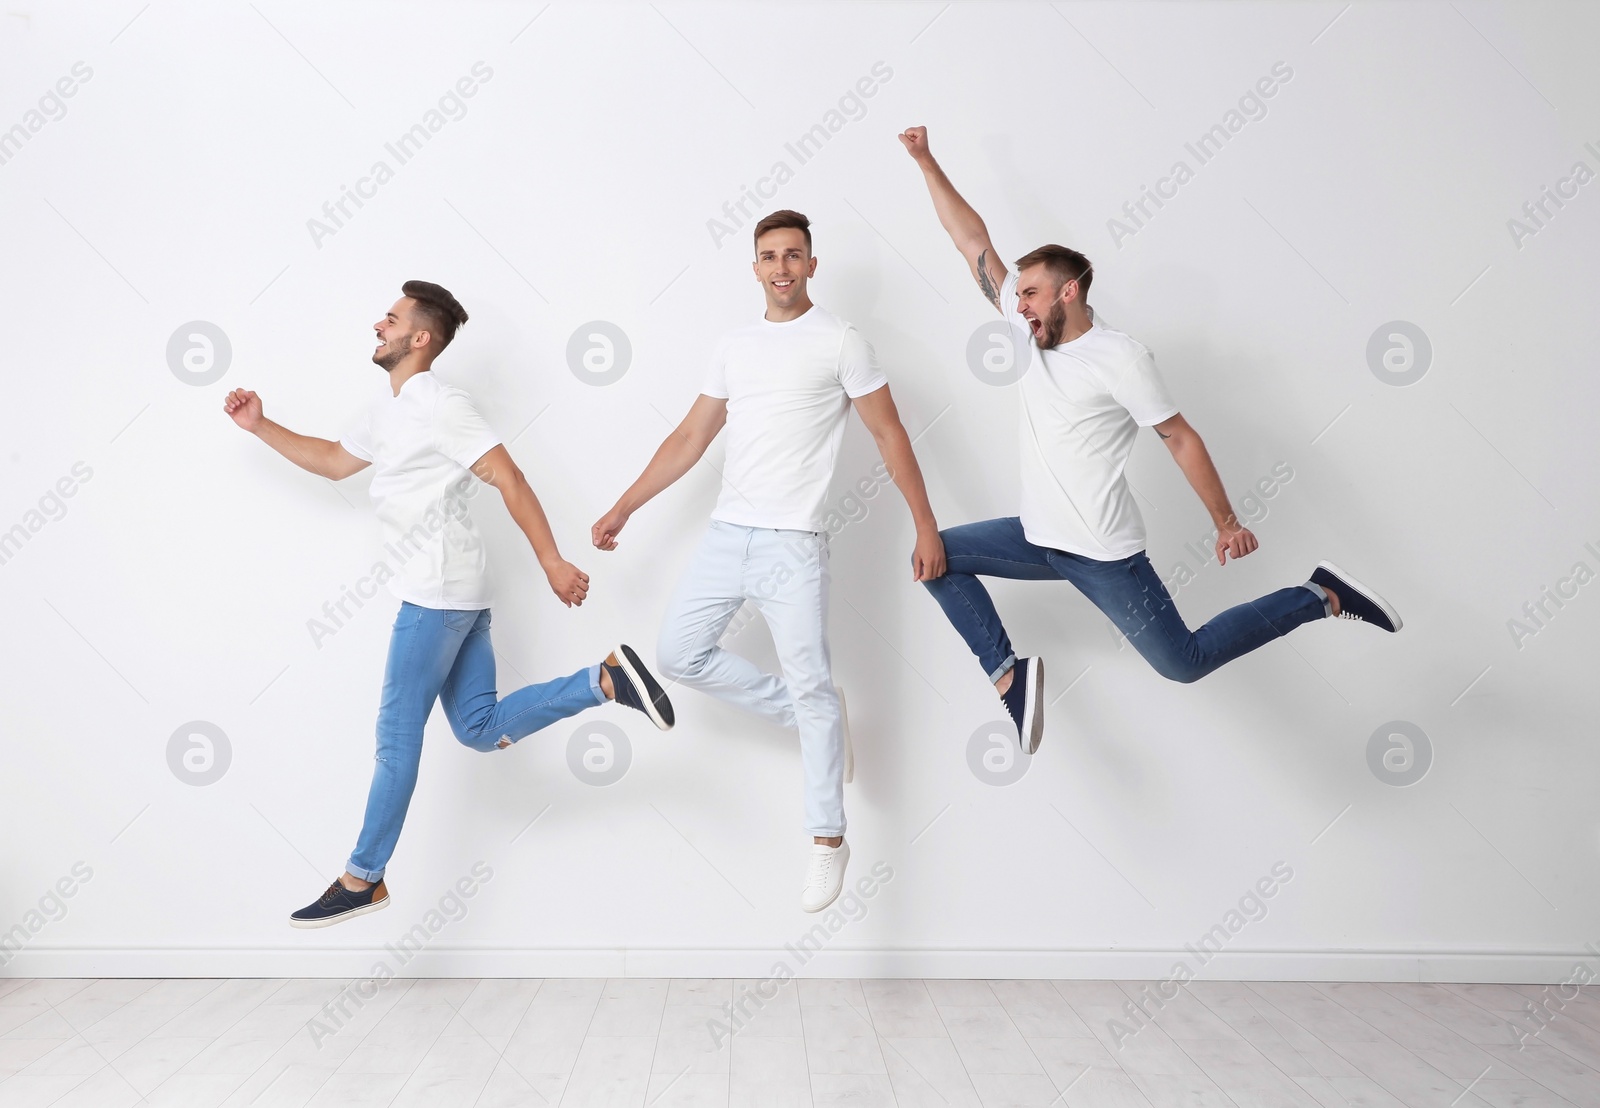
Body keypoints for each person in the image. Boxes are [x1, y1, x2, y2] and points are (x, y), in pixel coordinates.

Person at [898, 126, 1402, 754]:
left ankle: (1318, 594)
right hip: (1036, 537)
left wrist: (1225, 522)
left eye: (1030, 293)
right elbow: (970, 239)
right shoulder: (1027, 332)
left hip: (1103, 554)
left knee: (1183, 662)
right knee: (934, 557)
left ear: (1069, 291)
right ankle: (1009, 676)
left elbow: (1179, 437)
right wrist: (925, 160)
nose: (1018, 305)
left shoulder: (1121, 358)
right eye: (1017, 293)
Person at [224, 280, 674, 928]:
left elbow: (506, 476)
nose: (378, 324)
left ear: (420, 337)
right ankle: (605, 680)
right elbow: (329, 461)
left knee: (396, 740)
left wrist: (550, 560)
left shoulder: (440, 403)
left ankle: (363, 877)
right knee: (479, 727)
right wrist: (259, 425)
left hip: (434, 593)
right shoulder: (387, 408)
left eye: (392, 318)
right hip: (453, 592)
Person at [592, 212, 945, 912]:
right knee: (678, 654)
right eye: (768, 257)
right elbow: (691, 435)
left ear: (813, 264)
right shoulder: (734, 345)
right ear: (754, 268)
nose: (781, 266)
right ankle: (816, 715)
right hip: (728, 535)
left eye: (793, 255)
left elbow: (890, 433)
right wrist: (625, 505)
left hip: (793, 543)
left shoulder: (841, 341)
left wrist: (926, 527)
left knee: (813, 684)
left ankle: (826, 840)